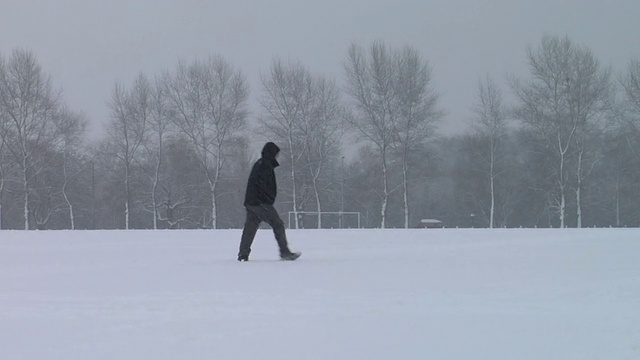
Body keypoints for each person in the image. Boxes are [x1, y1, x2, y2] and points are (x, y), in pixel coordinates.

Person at [238, 142, 300, 261]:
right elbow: (264, 186)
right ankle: (284, 252)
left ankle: (243, 254)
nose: (277, 157)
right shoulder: (265, 165)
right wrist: (267, 200)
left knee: (250, 229)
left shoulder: (260, 164)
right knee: (278, 224)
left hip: (252, 203)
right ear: (271, 153)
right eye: (276, 154)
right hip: (260, 203)